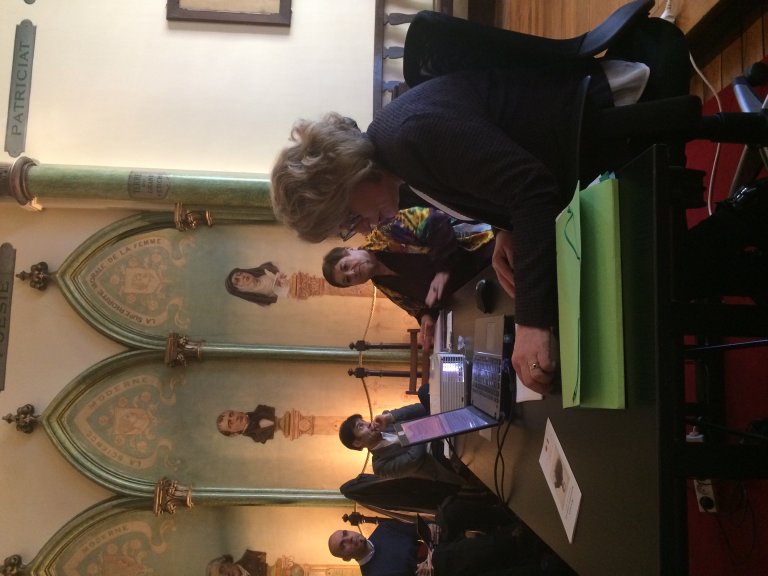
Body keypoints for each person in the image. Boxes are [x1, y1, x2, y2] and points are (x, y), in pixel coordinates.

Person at [322, 206, 495, 350]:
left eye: (345, 266)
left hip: (484, 255)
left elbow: (436, 221)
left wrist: (442, 271)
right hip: (471, 297)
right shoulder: (381, 283)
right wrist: (426, 317)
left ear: (350, 250)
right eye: (347, 280)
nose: (352, 274)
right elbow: (416, 307)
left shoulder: (386, 231)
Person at [327, 498, 572, 576]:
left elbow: (418, 531)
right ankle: (515, 538)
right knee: (443, 558)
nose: (350, 539)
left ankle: (509, 515)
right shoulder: (373, 574)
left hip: (436, 547)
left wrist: (433, 528)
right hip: (437, 571)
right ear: (346, 558)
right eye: (343, 545)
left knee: (448, 511)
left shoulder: (383, 531)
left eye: (346, 534)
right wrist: (427, 565)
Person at [338, 403, 466, 485]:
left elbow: (421, 408)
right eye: (360, 426)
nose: (368, 424)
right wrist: (410, 428)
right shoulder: (380, 466)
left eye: (364, 421)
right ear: (357, 442)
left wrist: (390, 417)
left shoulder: (385, 421)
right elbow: (415, 457)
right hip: (439, 459)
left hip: (438, 428)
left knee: (425, 393)